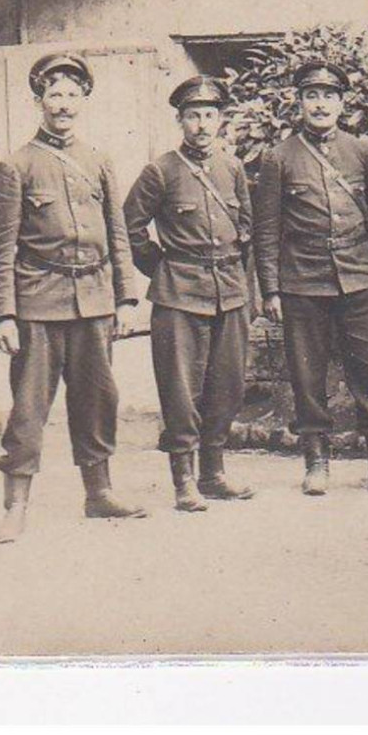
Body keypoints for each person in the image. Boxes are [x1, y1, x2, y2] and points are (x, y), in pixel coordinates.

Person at [0, 53, 144, 543]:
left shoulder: (99, 162)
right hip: (38, 302)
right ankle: (16, 506)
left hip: (94, 300)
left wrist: (127, 298)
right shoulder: (16, 166)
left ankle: (99, 494)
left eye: (73, 95)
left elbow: (118, 234)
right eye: (54, 94)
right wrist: (3, 314)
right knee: (29, 407)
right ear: (38, 101)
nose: (64, 104)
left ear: (84, 101)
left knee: (98, 398)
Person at [252, 60, 368, 496]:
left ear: (342, 102)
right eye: (312, 96)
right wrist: (271, 289)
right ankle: (316, 463)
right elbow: (267, 229)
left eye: (329, 96)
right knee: (306, 373)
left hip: (360, 276)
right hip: (303, 280)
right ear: (299, 102)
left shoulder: (362, 151)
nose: (321, 104)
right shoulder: (278, 158)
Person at [123, 75, 255, 512]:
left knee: (228, 383)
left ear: (221, 120)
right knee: (181, 389)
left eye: (210, 115)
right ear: (180, 120)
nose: (202, 124)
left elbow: (247, 228)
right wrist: (161, 267)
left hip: (230, 293)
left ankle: (213, 473)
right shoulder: (160, 170)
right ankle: (183, 481)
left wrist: (244, 285)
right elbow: (129, 228)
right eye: (193, 116)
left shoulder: (232, 167)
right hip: (179, 294)